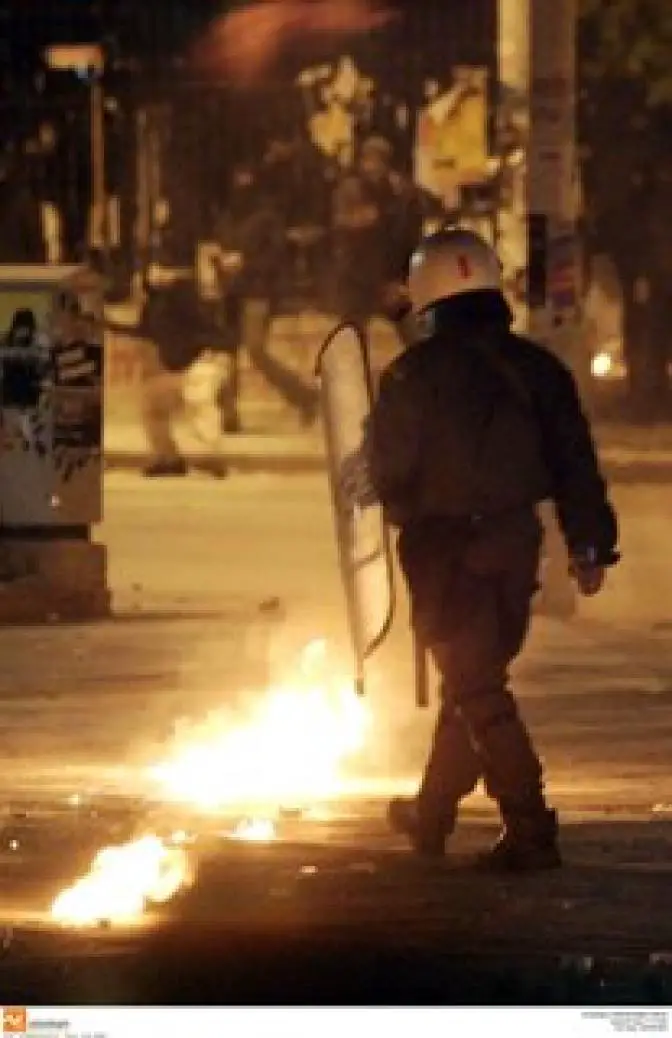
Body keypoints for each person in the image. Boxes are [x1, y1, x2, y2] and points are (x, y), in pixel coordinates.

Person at [353, 227, 619, 872]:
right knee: (470, 685)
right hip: (515, 545)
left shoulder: (412, 374)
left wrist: (373, 482)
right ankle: (432, 811)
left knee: (477, 690)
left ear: (426, 294)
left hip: (446, 554)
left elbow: (387, 468)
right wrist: (589, 544)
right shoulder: (537, 368)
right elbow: (574, 461)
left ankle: (530, 826)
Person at [213, 162, 318, 428]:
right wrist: (220, 263)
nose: (242, 183)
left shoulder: (266, 217)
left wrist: (245, 261)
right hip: (230, 290)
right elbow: (220, 246)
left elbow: (275, 256)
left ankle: (304, 396)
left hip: (257, 291)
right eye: (238, 176)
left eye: (246, 176)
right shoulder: (226, 216)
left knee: (255, 348)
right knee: (226, 353)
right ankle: (228, 413)